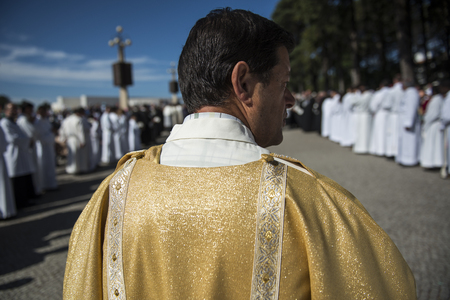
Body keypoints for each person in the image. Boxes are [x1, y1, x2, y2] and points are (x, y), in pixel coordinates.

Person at [64, 8, 416, 299]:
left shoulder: (112, 195)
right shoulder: (305, 199)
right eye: (284, 82)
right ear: (244, 83)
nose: (290, 99)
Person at [1, 103, 36, 208]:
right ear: (5, 110)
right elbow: (13, 139)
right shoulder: (4, 123)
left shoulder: (14, 123)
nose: (14, 111)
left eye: (15, 109)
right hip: (13, 154)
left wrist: (26, 140)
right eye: (11, 109)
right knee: (16, 181)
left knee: (23, 179)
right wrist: (27, 141)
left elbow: (23, 136)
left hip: (22, 153)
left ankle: (25, 200)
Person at [396, 81, 421, 166]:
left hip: (409, 123)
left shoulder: (411, 93)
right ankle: (404, 158)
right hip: (404, 120)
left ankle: (409, 160)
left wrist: (408, 123)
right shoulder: (409, 93)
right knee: (405, 142)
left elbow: (411, 108)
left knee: (409, 142)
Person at [34, 104, 58, 190]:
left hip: (49, 146)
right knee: (43, 167)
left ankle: (51, 184)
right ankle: (44, 185)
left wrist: (52, 133)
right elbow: (40, 136)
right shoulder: (37, 122)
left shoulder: (46, 120)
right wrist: (51, 133)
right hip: (42, 147)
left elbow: (50, 130)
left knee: (50, 166)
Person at [59, 108, 86, 174]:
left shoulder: (67, 119)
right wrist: (83, 141)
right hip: (76, 139)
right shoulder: (78, 119)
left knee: (71, 155)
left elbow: (62, 129)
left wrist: (63, 138)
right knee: (76, 155)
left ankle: (70, 169)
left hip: (69, 139)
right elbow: (80, 132)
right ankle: (76, 169)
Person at [369, 80, 391, 156]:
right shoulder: (391, 92)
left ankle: (380, 149)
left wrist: (373, 111)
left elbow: (373, 105)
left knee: (380, 132)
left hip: (381, 114)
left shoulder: (379, 94)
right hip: (390, 114)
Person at [352, 85, 373, 154]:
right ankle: (366, 147)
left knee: (362, 132)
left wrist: (356, 94)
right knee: (365, 132)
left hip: (363, 114)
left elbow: (355, 102)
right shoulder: (370, 95)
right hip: (367, 115)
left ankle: (362, 148)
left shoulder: (365, 96)